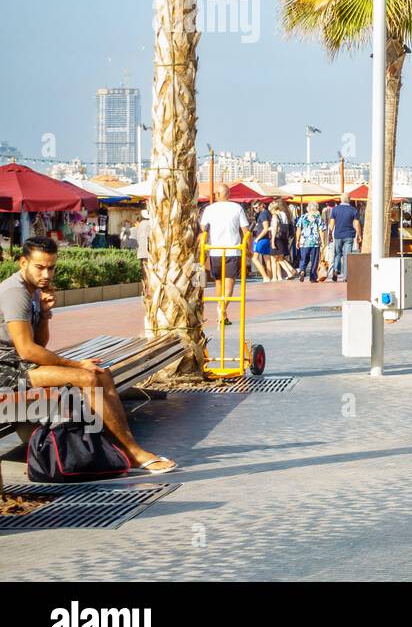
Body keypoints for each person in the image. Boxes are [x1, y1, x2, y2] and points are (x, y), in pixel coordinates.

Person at [1, 237, 175, 472]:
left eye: (51, 267)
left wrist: (43, 314)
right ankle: (132, 453)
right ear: (23, 263)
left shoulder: (33, 291)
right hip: (6, 370)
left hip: (18, 365)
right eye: (40, 267)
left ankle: (123, 449)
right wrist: (74, 365)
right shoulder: (15, 292)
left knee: (101, 373)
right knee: (87, 377)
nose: (47, 274)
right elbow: (27, 350)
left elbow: (39, 342)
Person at [200, 184, 249, 314]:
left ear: (218, 194)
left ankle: (221, 310)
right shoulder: (237, 208)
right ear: (229, 194)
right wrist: (249, 249)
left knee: (218, 282)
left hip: (215, 249)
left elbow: (203, 228)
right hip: (233, 249)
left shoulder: (209, 209)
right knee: (229, 283)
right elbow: (245, 230)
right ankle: (222, 310)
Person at [328, 193, 362, 282]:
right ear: (349, 200)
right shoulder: (353, 210)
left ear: (341, 200)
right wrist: (359, 234)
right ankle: (346, 276)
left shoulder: (335, 210)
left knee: (337, 254)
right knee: (347, 256)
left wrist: (330, 234)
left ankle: (336, 270)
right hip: (349, 235)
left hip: (338, 235)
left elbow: (331, 223)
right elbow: (356, 223)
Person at [295, 201, 326, 282]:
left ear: (308, 208)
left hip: (304, 242)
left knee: (303, 258)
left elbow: (298, 229)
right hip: (315, 242)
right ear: (316, 208)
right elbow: (321, 231)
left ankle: (302, 270)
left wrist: (297, 240)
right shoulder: (318, 218)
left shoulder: (302, 217)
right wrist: (323, 242)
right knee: (314, 260)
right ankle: (313, 277)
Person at [268, 199, 295, 281]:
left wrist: (272, 240)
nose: (271, 213)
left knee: (275, 258)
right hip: (283, 237)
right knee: (280, 258)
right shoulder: (284, 214)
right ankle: (288, 272)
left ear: (274, 209)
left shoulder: (275, 216)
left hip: (277, 238)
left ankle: (279, 276)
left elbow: (275, 228)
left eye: (271, 211)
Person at [249, 200, 273, 281]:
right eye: (254, 208)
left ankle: (265, 277)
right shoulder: (266, 213)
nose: (255, 209)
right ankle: (269, 277)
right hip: (266, 238)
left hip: (262, 239)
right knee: (267, 259)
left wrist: (258, 238)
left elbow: (265, 228)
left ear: (261, 206)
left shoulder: (263, 214)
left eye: (256, 207)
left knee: (254, 258)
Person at [133, 209, 151, 275]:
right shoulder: (150, 223)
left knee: (144, 270)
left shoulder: (141, 224)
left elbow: (137, 237)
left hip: (141, 250)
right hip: (148, 251)